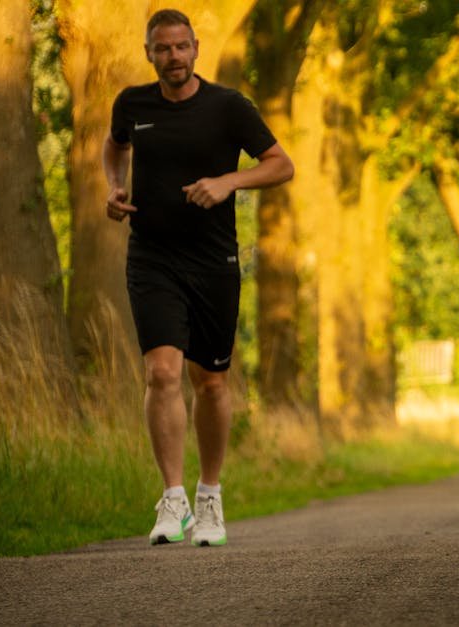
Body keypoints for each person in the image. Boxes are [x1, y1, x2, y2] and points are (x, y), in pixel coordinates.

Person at [103, 9, 294, 546]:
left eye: (182, 47)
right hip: (152, 258)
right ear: (149, 53)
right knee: (161, 375)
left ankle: (210, 495)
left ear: (196, 48)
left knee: (210, 382)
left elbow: (281, 164)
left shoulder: (228, 107)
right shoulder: (132, 104)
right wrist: (113, 188)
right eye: (162, 49)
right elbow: (114, 145)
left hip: (213, 262)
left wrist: (228, 182)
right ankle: (173, 500)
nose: (173, 57)